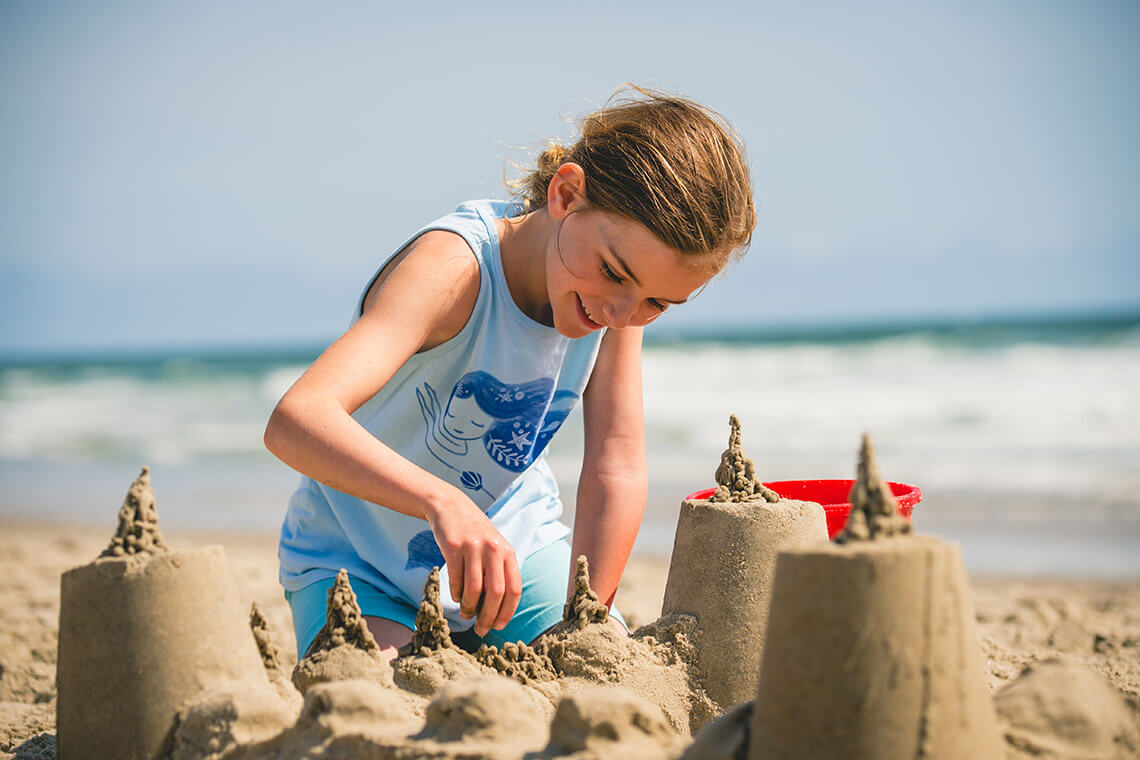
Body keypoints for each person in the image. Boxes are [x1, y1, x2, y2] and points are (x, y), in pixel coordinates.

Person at [264, 85, 756, 661]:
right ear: (566, 194)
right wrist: (441, 502)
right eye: (614, 273)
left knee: (600, 668)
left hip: (515, 555)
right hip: (358, 561)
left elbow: (615, 463)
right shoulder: (453, 269)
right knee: (384, 707)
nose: (622, 315)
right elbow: (297, 418)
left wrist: (586, 614)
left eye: (658, 303)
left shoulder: (619, 304)